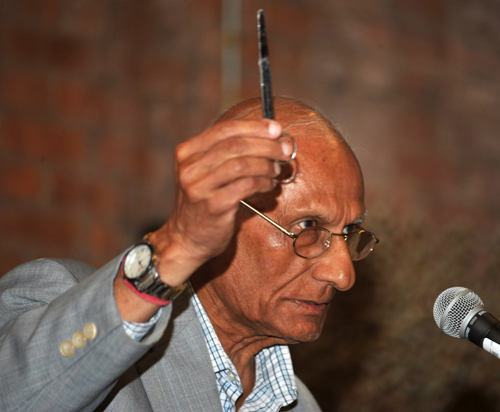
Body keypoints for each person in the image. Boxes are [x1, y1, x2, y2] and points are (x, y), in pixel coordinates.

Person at [0, 97, 377, 412]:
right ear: (222, 218)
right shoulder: (64, 298)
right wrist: (177, 245)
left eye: (348, 233)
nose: (343, 274)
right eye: (308, 227)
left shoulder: (303, 405)